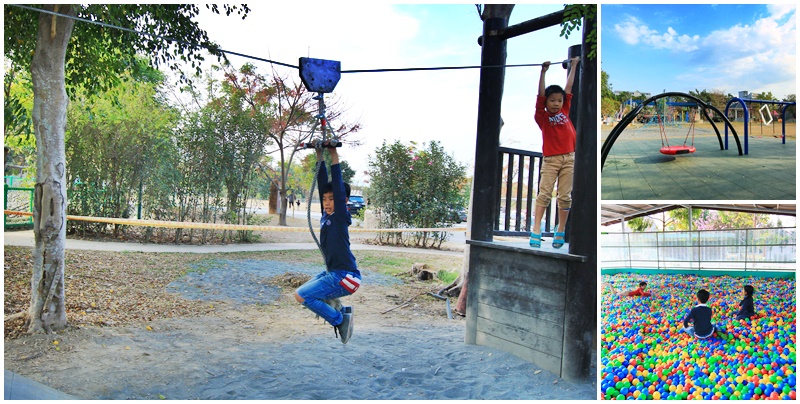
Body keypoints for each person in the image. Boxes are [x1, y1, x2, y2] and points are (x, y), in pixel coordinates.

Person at [293, 141, 361, 344]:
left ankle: (339, 320)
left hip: (345, 277)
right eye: (325, 199)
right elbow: (324, 184)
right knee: (305, 293)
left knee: (302, 296)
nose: (328, 203)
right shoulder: (327, 215)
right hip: (334, 273)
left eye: (333, 199)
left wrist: (334, 156)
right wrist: (319, 157)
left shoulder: (340, 217)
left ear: (343, 201)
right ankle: (341, 310)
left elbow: (337, 190)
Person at [530, 56, 581, 249]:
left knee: (565, 196)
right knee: (544, 194)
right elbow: (540, 96)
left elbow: (568, 89)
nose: (556, 103)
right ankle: (536, 230)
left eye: (559, 101)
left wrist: (574, 66)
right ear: (546, 103)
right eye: (552, 100)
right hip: (551, 160)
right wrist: (543, 72)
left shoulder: (565, 111)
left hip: (570, 158)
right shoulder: (541, 116)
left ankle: (560, 229)